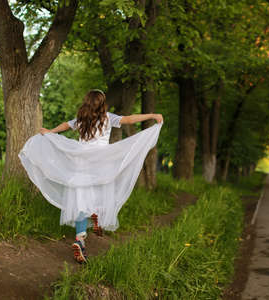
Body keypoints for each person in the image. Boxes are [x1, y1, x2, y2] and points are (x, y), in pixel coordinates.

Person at [19, 89, 162, 263]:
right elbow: (129, 119)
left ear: (87, 102)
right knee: (100, 194)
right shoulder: (107, 118)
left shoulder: (81, 119)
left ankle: (80, 240)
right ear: (102, 103)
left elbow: (65, 125)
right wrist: (152, 115)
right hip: (101, 163)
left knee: (81, 201)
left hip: (81, 163)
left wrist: (51, 131)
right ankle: (96, 216)